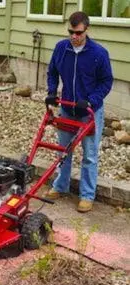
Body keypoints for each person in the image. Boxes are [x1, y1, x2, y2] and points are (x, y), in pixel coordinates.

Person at [44, 11, 113, 213]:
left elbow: (106, 81)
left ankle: (87, 195)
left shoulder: (98, 53)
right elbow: (52, 72)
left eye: (78, 33)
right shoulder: (61, 48)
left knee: (90, 155)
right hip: (67, 107)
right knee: (63, 150)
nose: (74, 37)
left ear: (86, 30)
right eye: (71, 32)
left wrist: (91, 101)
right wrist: (51, 92)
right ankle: (61, 185)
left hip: (89, 112)